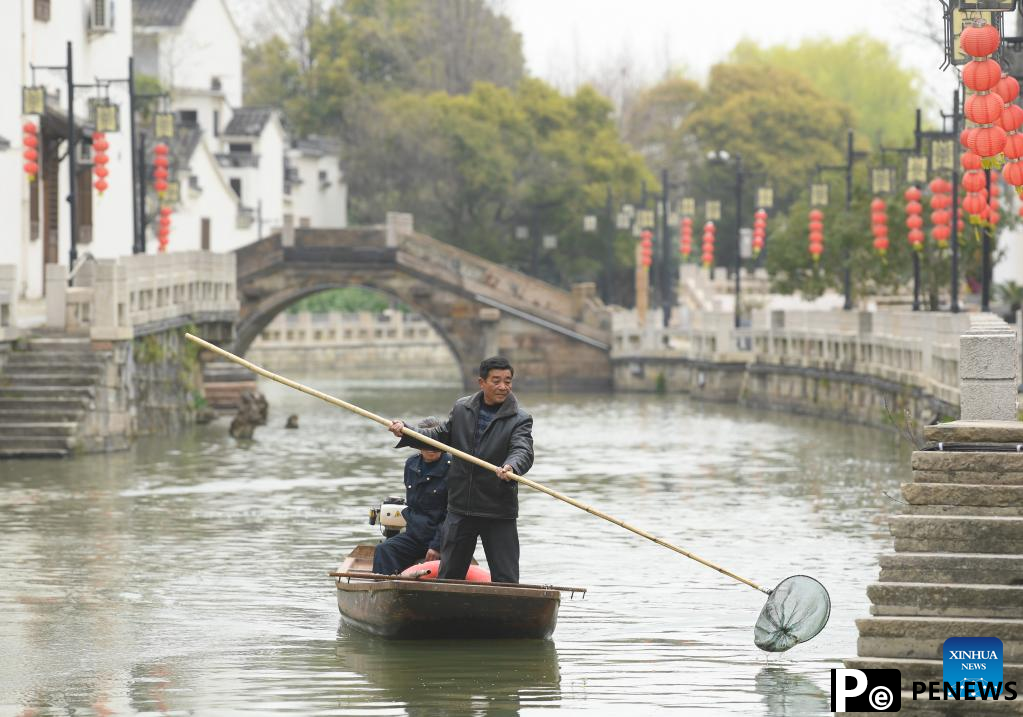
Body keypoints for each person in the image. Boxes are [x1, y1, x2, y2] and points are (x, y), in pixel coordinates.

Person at [389, 356, 533, 583]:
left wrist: (511, 466)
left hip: (497, 509)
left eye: (508, 381)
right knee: (450, 575)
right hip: (460, 508)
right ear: (481, 382)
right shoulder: (462, 408)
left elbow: (522, 450)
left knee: (506, 578)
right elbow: (438, 437)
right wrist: (407, 431)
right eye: (496, 381)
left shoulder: (520, 419)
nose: (503, 386)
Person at [372, 417, 452, 575]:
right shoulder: (411, 464)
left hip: (443, 538)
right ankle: (383, 591)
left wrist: (437, 546)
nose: (431, 447)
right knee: (384, 550)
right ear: (417, 443)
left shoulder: (454, 467)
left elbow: (452, 515)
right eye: (426, 442)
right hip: (415, 535)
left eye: (436, 442)